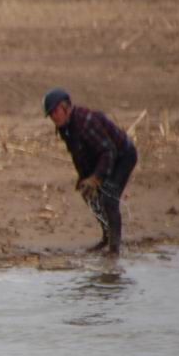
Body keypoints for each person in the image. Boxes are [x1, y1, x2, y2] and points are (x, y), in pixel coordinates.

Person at [43, 88, 138, 255]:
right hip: (104, 157)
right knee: (89, 194)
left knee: (109, 197)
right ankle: (106, 237)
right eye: (50, 114)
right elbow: (78, 154)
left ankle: (114, 250)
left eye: (55, 111)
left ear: (66, 107)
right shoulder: (65, 127)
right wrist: (84, 178)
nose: (53, 117)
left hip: (123, 156)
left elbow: (109, 151)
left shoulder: (86, 122)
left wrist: (96, 178)